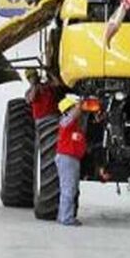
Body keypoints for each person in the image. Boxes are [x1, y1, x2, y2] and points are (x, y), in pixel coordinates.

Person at [56, 95, 86, 227]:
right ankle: (66, 218)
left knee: (68, 189)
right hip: (67, 158)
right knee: (69, 189)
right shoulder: (66, 121)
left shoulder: (74, 127)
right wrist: (80, 104)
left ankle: (63, 215)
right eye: (74, 107)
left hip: (71, 159)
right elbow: (74, 115)